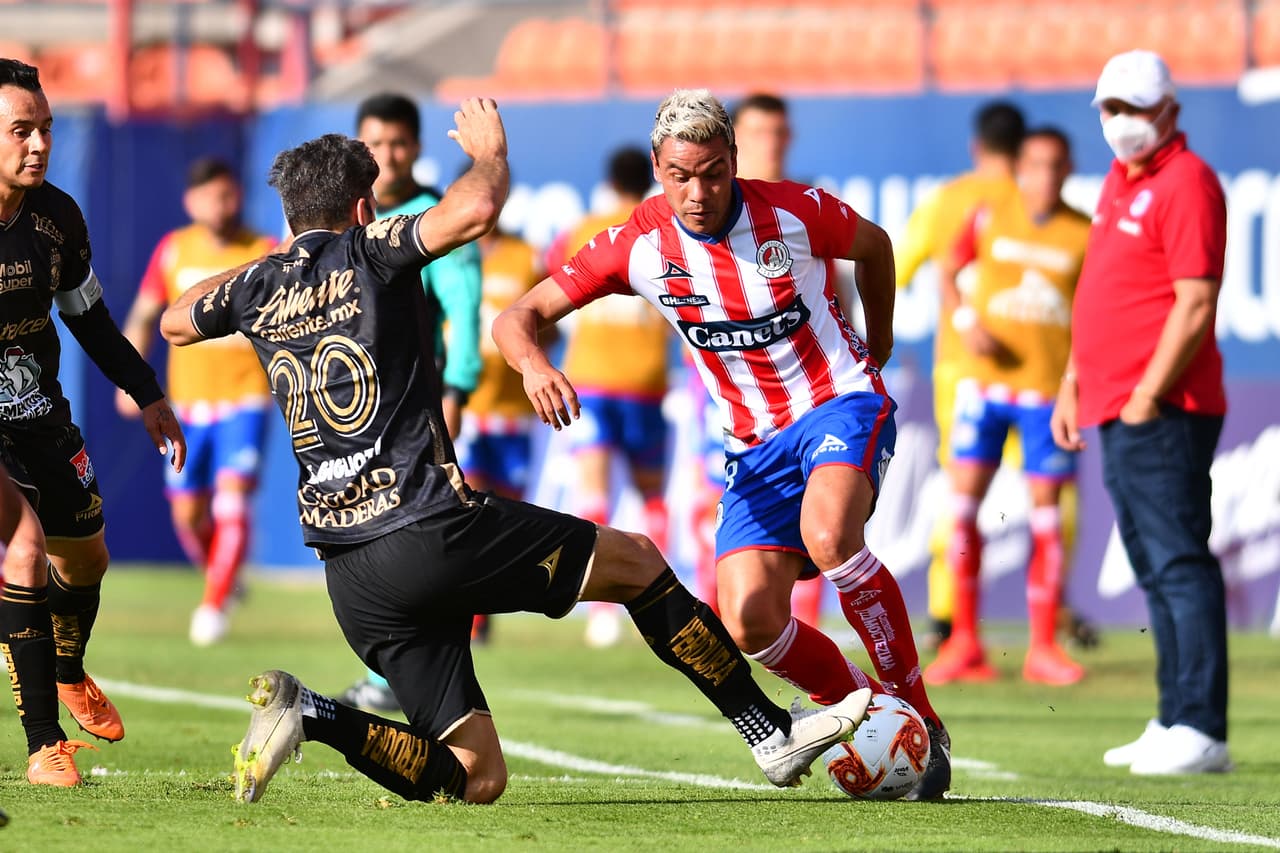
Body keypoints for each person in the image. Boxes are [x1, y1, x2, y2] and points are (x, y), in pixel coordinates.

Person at [159, 103, 873, 805]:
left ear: (287, 217)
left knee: (476, 776)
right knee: (640, 563)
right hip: (427, 528)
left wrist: (278, 261)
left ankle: (316, 714)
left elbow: (175, 319)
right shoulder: (371, 250)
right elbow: (474, 210)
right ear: (360, 207)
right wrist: (490, 153)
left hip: (350, 574)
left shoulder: (257, 286)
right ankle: (768, 731)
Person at [495, 88, 951, 800]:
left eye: (712, 172)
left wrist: (881, 342)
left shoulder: (794, 212)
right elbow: (519, 315)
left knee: (829, 536)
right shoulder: (638, 245)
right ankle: (871, 714)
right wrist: (534, 363)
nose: (698, 191)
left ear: (734, 160)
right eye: (680, 175)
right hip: (753, 445)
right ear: (657, 166)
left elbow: (876, 247)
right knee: (747, 618)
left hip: (837, 399)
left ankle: (919, 711)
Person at [0, 58, 186, 786]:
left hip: (36, 408)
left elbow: (90, 319)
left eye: (45, 129)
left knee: (85, 560)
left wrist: (147, 392)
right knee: (22, 549)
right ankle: (43, 744)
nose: (39, 144)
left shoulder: (57, 217)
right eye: (21, 130)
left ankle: (68, 667)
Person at [1052, 50, 1230, 775]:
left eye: (1133, 107)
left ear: (1169, 109)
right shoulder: (1118, 185)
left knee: (1179, 561)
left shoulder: (1187, 181)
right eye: (1110, 109)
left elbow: (1195, 300)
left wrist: (1148, 392)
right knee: (1157, 568)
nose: (1120, 123)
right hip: (1116, 403)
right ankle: (1174, 714)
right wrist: (1073, 378)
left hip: (1163, 407)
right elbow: (1102, 289)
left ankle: (1203, 725)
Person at [923, 128, 1091, 686]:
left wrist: (1075, 379)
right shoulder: (988, 214)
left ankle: (1043, 646)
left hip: (1045, 393)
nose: (1045, 176)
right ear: (1019, 168)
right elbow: (947, 271)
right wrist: (967, 323)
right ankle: (965, 643)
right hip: (983, 388)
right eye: (1036, 165)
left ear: (1068, 170)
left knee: (1047, 515)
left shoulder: (1082, 233)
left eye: (1056, 166)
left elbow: (1092, 315)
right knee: (964, 509)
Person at [340, 91, 484, 711]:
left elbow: (465, 310)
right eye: (376, 142)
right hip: (356, 413)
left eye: (399, 143)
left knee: (418, 536)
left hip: (416, 412)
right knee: (383, 539)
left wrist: (455, 393)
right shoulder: (342, 217)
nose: (388, 155)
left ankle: (406, 681)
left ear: (417, 147)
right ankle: (404, 677)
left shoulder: (436, 216)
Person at [117, 158, 275, 646]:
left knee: (231, 501)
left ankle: (212, 605)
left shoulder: (264, 251)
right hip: (187, 407)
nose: (222, 205)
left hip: (245, 402)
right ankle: (223, 577)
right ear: (191, 202)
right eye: (211, 196)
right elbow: (143, 316)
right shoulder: (174, 251)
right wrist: (129, 380)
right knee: (188, 514)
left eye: (229, 195)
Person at [894, 101, 1025, 648]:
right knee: (1052, 493)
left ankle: (948, 617)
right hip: (1036, 372)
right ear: (1024, 150)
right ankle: (1054, 614)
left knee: (962, 494)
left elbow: (896, 267)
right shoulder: (1036, 203)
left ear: (977, 147)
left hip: (963, 376)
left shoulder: (947, 201)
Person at [549, 147, 671, 648]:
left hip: (592, 381)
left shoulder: (582, 229)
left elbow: (551, 282)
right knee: (652, 498)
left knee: (595, 492)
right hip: (644, 380)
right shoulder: (663, 228)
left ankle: (601, 609)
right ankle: (664, 603)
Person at [456, 224, 546, 642]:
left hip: (513, 413)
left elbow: (551, 322)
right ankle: (469, 616)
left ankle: (486, 604)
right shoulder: (447, 255)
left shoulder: (524, 255)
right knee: (469, 510)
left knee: (507, 518)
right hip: (467, 408)